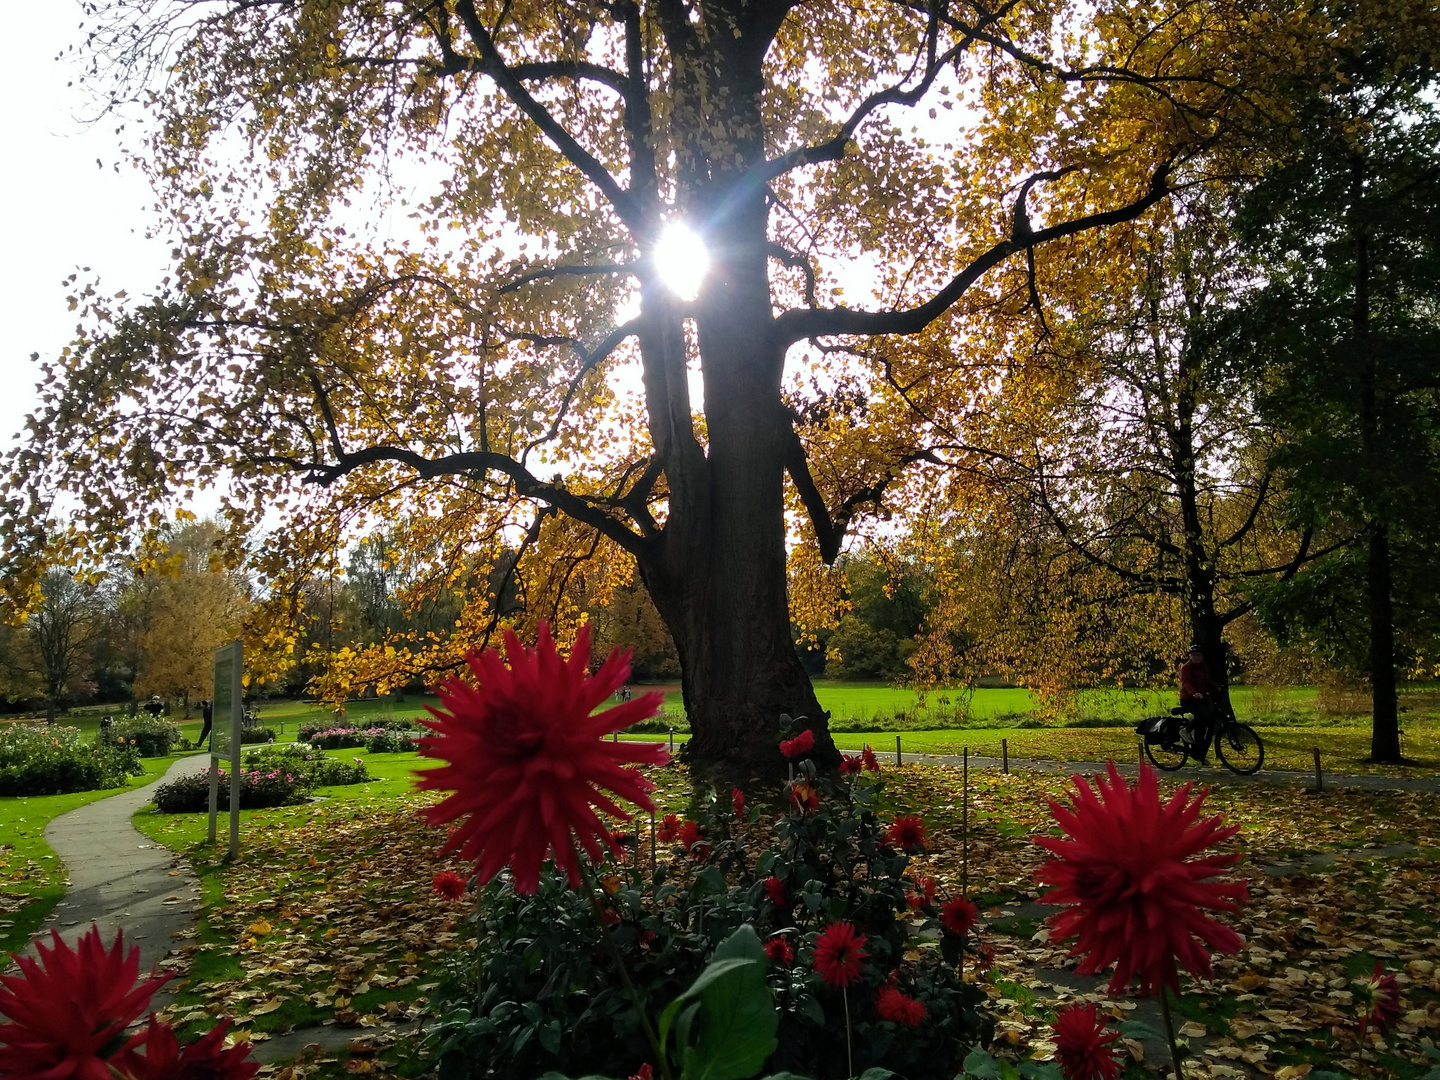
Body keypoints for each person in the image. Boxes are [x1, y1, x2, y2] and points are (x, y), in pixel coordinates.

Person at [1178, 645, 1219, 759]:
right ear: (1190, 656)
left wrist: (1217, 687)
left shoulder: (1202, 667)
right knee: (1202, 716)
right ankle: (1185, 730)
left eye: (1199, 655)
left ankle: (1198, 752)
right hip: (1188, 698)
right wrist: (1194, 693)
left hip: (1201, 698)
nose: (1197, 657)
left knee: (1205, 723)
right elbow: (1185, 683)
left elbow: (1208, 680)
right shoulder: (1186, 668)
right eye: (1194, 655)